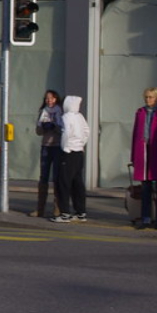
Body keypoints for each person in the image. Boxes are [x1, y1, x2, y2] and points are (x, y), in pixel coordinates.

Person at [130, 87, 157, 230]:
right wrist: (134, 156)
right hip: (144, 154)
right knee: (145, 189)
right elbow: (135, 134)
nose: (148, 99)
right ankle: (146, 219)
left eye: (151, 97)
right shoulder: (140, 113)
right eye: (146, 97)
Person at [51, 95, 91, 223]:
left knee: (63, 183)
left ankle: (65, 213)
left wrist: (65, 147)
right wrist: (81, 143)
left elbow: (66, 133)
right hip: (79, 152)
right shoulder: (80, 116)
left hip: (69, 152)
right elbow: (87, 131)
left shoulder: (66, 117)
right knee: (77, 183)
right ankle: (80, 212)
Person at [31, 90, 63, 218]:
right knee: (43, 176)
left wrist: (55, 126)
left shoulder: (60, 111)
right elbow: (38, 131)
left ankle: (57, 207)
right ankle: (40, 208)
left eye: (51, 98)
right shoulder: (43, 112)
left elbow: (63, 129)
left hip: (57, 146)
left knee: (56, 177)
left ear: (56, 99)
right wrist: (43, 127)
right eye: (47, 98)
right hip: (46, 146)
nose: (49, 101)